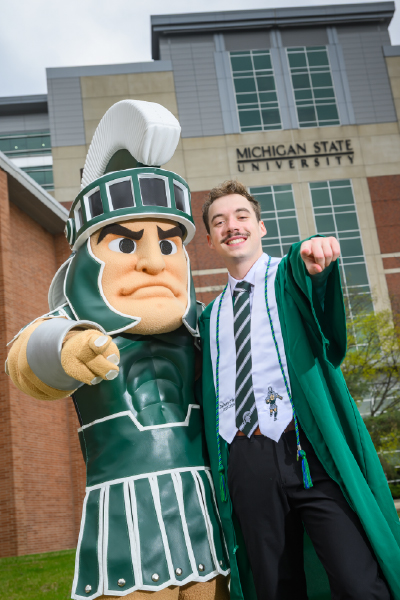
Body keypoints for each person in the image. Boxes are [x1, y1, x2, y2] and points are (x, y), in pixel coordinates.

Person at [6, 100, 230, 600]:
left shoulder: (205, 325)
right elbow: (24, 356)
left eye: (169, 244)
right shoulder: (76, 325)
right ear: (86, 259)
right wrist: (64, 348)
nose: (153, 262)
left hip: (205, 506)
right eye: (127, 245)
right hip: (124, 514)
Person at [198, 180, 400, 600]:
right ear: (210, 239)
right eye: (219, 222)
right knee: (274, 587)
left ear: (261, 227)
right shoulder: (210, 317)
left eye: (241, 217)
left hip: (306, 452)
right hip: (244, 457)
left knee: (357, 579)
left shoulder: (286, 278)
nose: (231, 226)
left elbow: (312, 276)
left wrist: (315, 256)